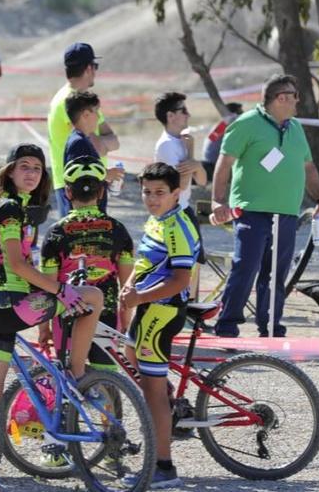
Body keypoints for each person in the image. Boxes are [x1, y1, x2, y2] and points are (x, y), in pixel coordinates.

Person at [0, 144, 102, 492]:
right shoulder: (11, 209)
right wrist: (59, 290)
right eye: (23, 166)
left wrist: (54, 288)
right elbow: (18, 265)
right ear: (9, 172)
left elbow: (20, 266)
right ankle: (80, 373)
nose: (30, 172)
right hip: (10, 308)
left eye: (37, 168)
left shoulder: (17, 210)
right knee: (93, 296)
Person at [211, 74, 319, 338]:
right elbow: (224, 164)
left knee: (276, 274)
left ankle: (271, 326)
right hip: (251, 211)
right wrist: (218, 201)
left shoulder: (296, 128)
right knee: (246, 267)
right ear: (281, 98)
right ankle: (227, 325)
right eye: (294, 96)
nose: (298, 100)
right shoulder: (246, 124)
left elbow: (308, 167)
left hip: (286, 213)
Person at [119, 162, 200, 489]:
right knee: (128, 353)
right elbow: (149, 263)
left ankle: (164, 467)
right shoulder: (158, 219)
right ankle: (169, 403)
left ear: (175, 194)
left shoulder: (176, 226)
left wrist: (139, 298)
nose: (152, 199)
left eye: (160, 193)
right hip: (148, 306)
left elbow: (181, 279)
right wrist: (131, 288)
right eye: (147, 192)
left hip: (162, 312)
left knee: (152, 393)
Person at [41, 155, 134, 367]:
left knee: (71, 380)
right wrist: (126, 321)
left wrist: (43, 327)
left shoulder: (55, 233)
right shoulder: (118, 230)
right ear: (101, 192)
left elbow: (47, 286)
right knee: (107, 383)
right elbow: (127, 285)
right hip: (107, 314)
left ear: (67, 192)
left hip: (67, 314)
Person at [47, 42, 120, 216]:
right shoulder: (69, 100)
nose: (96, 71)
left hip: (90, 182)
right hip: (77, 186)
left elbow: (112, 140)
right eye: (95, 66)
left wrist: (105, 143)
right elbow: (101, 145)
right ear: (88, 68)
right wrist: (106, 144)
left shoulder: (84, 101)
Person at [154, 92, 209, 296]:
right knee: (182, 263)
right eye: (183, 110)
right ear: (171, 116)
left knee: (194, 260)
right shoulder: (167, 145)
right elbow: (183, 184)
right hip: (174, 214)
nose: (188, 115)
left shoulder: (180, 142)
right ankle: (186, 304)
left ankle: (191, 303)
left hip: (184, 210)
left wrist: (194, 163)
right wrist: (192, 155)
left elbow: (202, 181)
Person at [61, 91, 108, 214]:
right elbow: (79, 181)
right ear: (86, 115)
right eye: (96, 111)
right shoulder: (79, 142)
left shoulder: (81, 139)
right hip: (85, 218)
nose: (98, 117)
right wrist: (108, 175)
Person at [201, 102, 244, 181]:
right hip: (214, 164)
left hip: (209, 161)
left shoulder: (222, 125)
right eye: (241, 112)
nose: (243, 114)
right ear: (234, 114)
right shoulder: (231, 124)